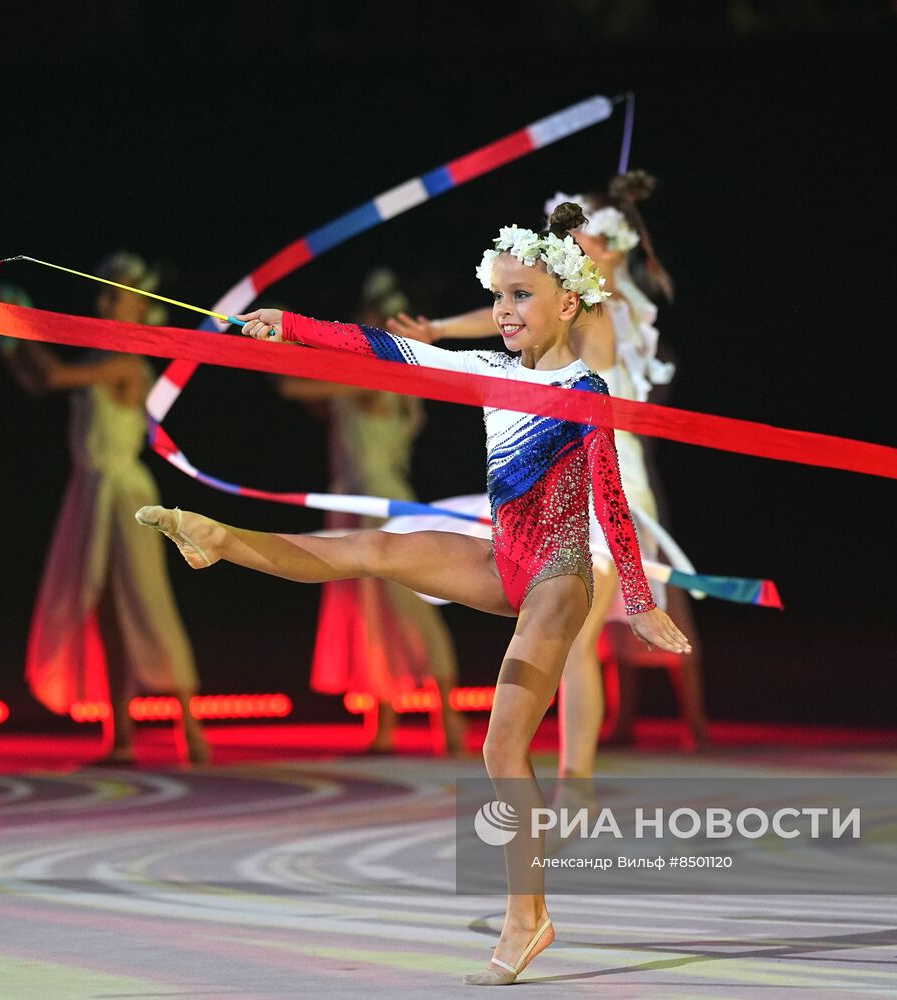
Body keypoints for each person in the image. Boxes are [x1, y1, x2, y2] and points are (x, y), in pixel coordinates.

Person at [138, 204, 690, 984]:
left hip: (560, 574)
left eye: (520, 295)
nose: (503, 311)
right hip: (504, 557)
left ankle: (527, 918)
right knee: (372, 549)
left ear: (567, 303)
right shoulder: (489, 371)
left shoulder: (583, 390)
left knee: (502, 743)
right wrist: (288, 324)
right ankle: (225, 542)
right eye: (497, 296)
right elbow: (383, 347)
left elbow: (609, 499)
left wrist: (635, 600)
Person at [388, 172, 706, 773]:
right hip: (559, 483)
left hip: (608, 481)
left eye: (578, 240)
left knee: (576, 637)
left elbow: (527, 310)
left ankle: (575, 784)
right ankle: (571, 781)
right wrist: (438, 332)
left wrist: (444, 330)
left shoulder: (596, 310)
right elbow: (515, 312)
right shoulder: (571, 308)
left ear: (605, 250)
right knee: (572, 640)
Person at [0, 253, 209, 766]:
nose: (104, 301)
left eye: (117, 294)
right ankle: (121, 735)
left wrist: (16, 327)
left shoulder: (127, 363)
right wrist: (8, 346)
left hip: (124, 493)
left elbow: (50, 377)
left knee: (146, 602)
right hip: (91, 491)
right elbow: (36, 381)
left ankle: (191, 728)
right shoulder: (98, 360)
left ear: (140, 308)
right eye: (104, 292)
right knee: (107, 615)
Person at [277, 269, 466, 755]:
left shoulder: (375, 373)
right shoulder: (365, 372)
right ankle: (384, 724)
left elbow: (293, 388)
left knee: (408, 606)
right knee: (371, 613)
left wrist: (296, 340)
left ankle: (448, 718)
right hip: (355, 501)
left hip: (378, 501)